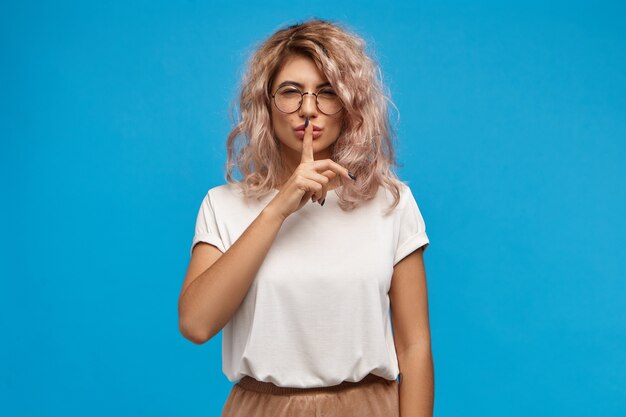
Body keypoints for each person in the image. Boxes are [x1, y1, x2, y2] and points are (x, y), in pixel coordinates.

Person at [178, 18, 434, 417]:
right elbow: (196, 324)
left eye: (327, 93)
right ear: (266, 104)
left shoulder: (391, 202)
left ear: (349, 105)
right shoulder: (223, 205)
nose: (309, 110)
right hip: (261, 406)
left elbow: (415, 348)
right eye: (290, 92)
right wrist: (278, 208)